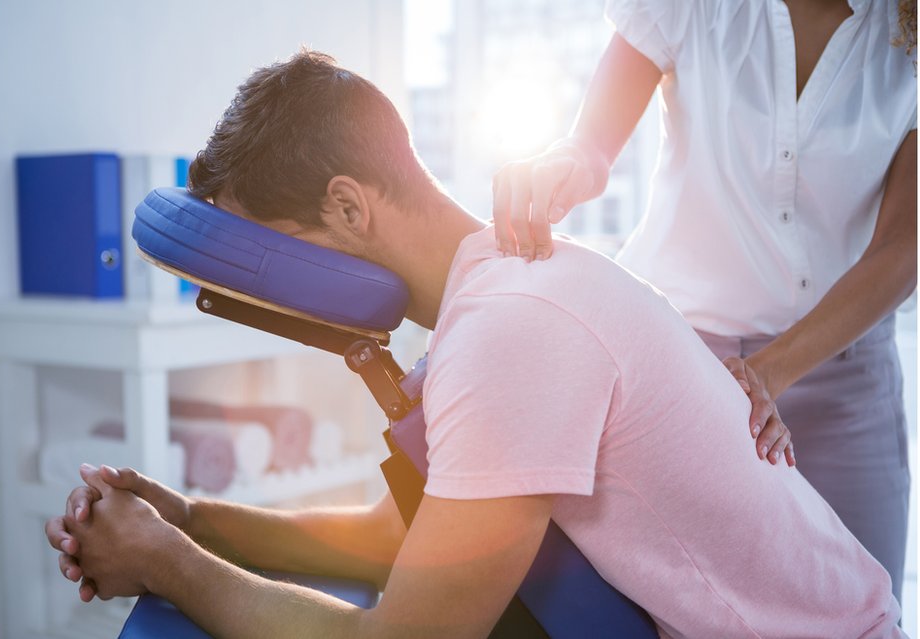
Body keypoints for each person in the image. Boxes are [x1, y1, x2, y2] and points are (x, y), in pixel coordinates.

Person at [44, 51, 904, 638]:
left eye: (267, 252)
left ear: (348, 208)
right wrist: (195, 519)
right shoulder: (495, 292)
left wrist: (168, 561)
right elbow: (394, 537)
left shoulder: (512, 332)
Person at [491, 0, 917, 602]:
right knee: (686, 607)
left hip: (844, 378)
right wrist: (562, 166)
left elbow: (903, 248)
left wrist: (767, 373)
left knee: (863, 611)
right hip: (688, 368)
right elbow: (591, 146)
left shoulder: (908, 38)